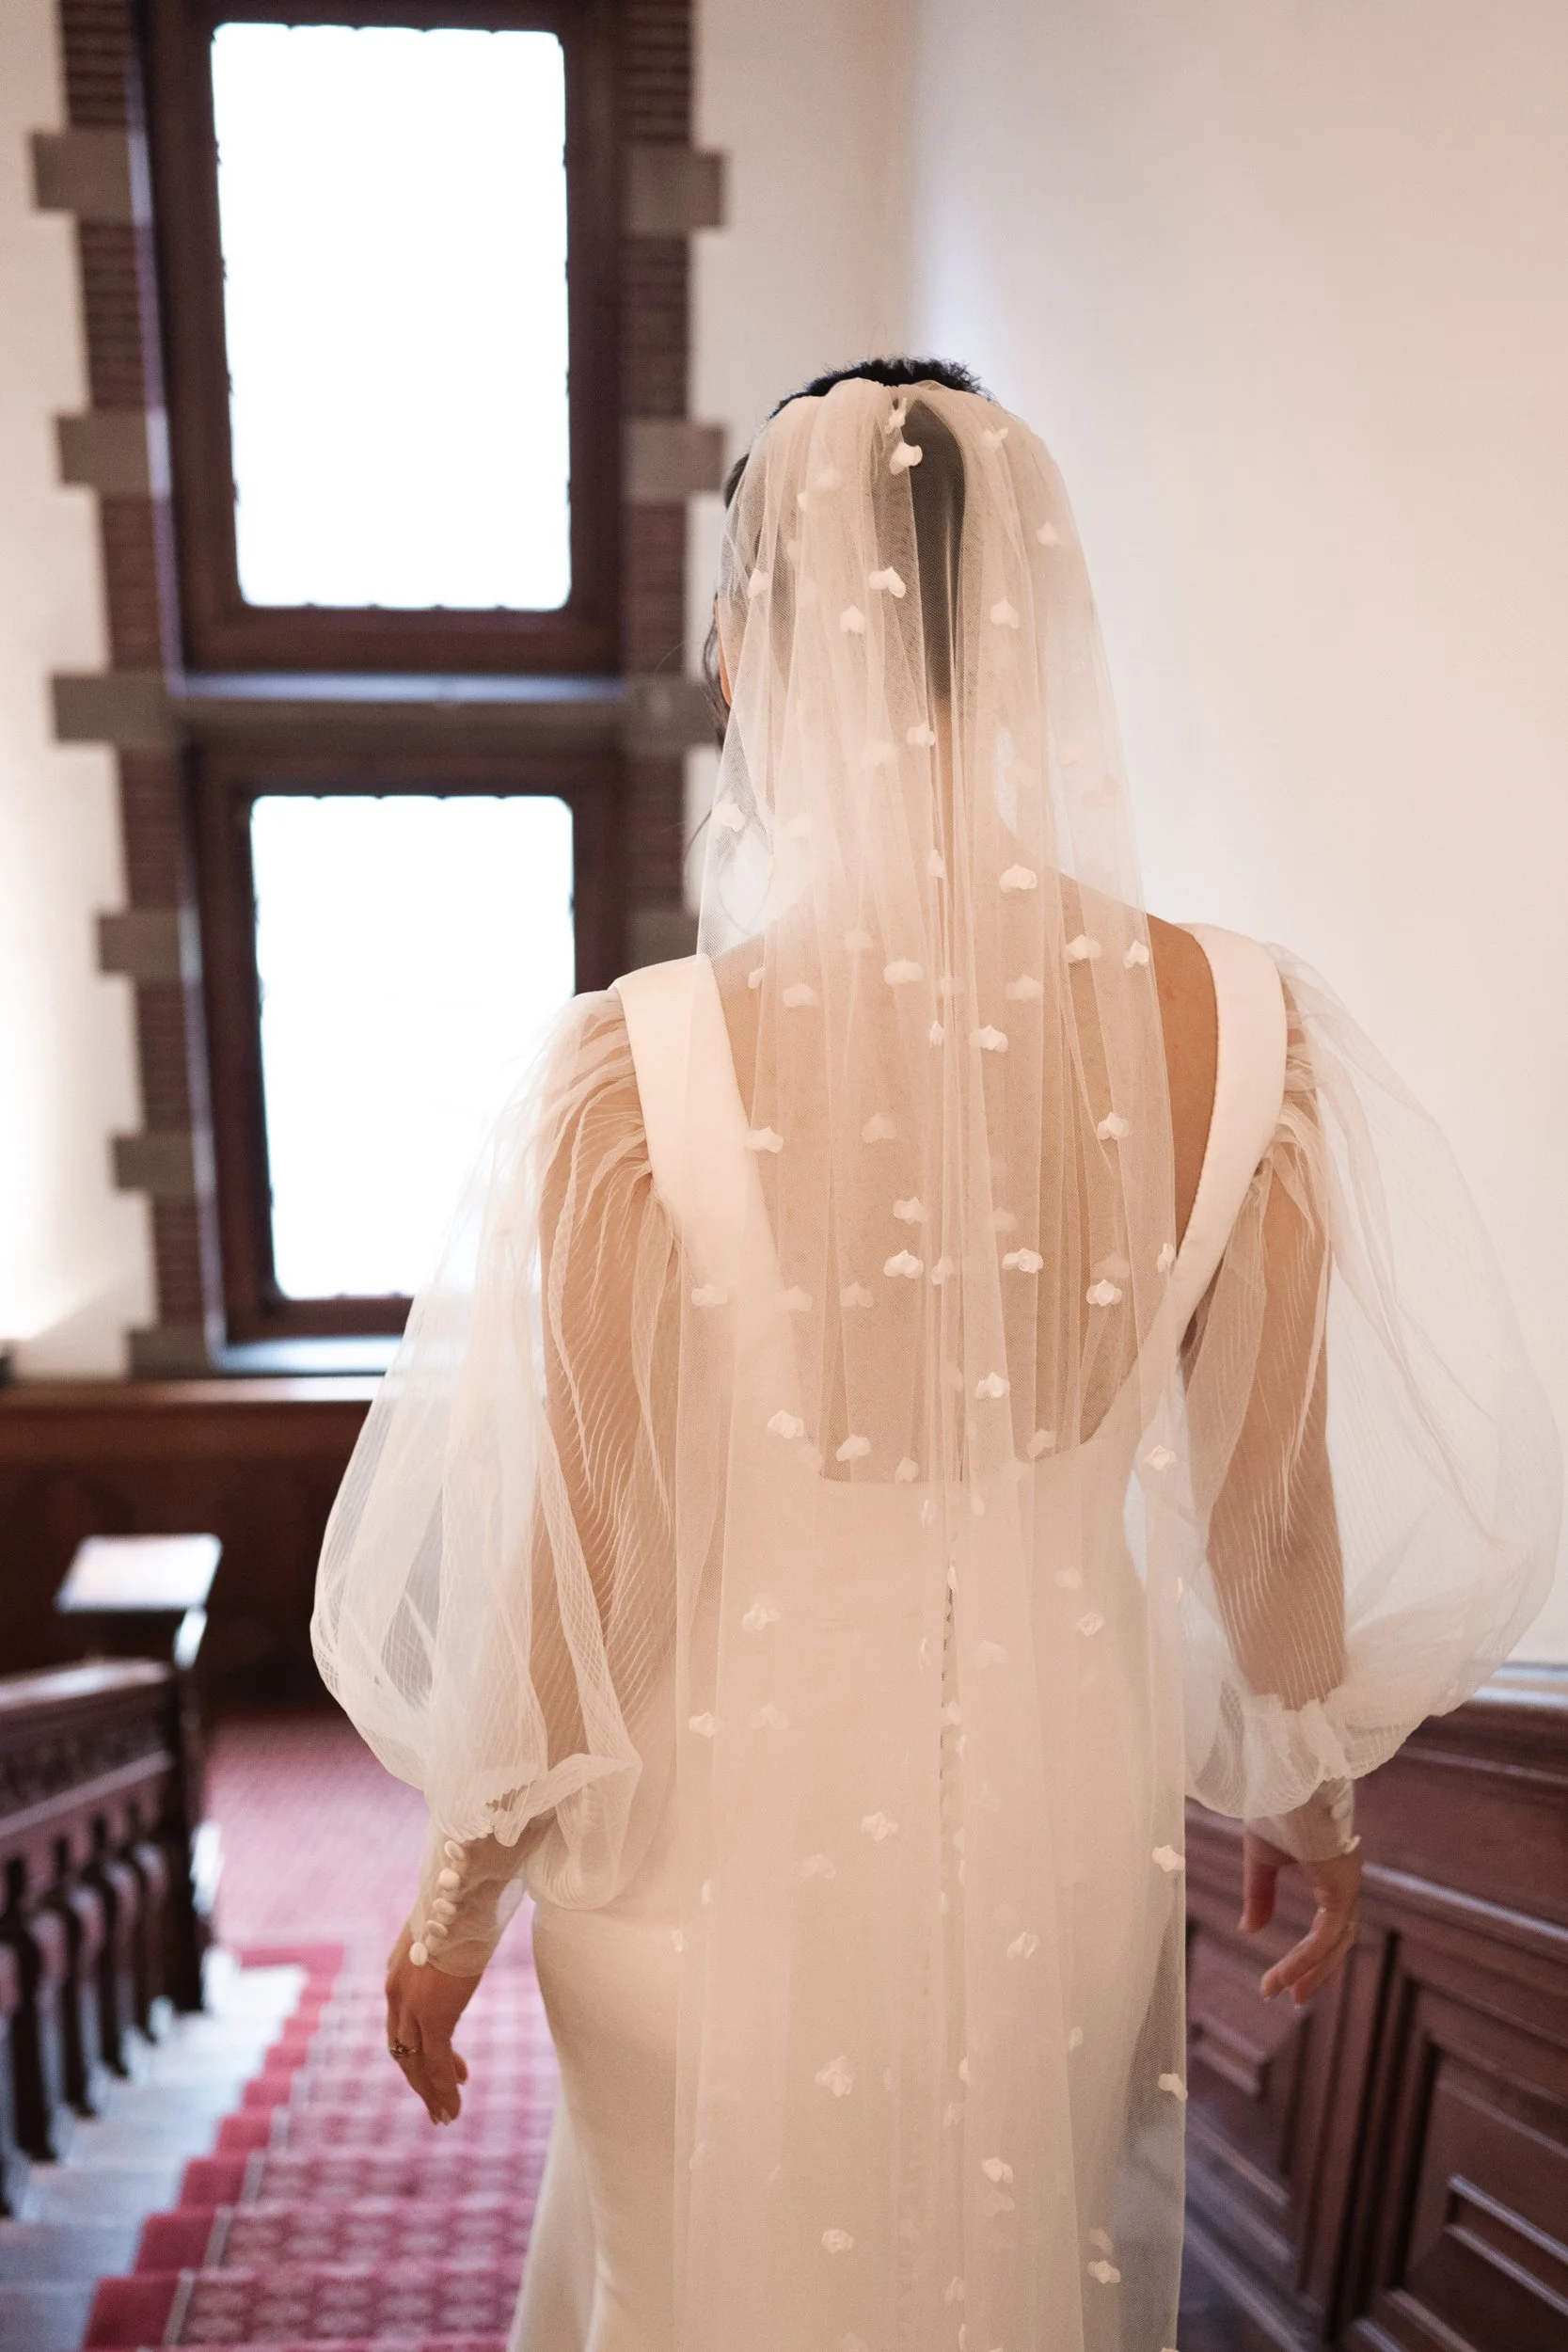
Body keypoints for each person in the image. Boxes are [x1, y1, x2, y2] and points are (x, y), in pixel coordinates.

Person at [311, 360, 1560, 2352]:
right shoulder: (1246, 1032)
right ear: (1031, 632)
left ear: (749, 641)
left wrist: (458, 1887)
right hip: (1043, 1863)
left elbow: (582, 1581)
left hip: (691, 1868)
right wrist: (1313, 1808)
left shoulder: (633, 1074)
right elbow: (1271, 1516)